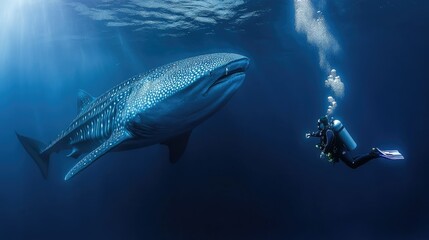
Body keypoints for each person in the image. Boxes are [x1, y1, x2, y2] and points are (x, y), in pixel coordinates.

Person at [306, 116, 404, 168]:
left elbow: (330, 140)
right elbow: (318, 134)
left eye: (319, 124)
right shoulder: (324, 131)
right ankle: (372, 153)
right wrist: (310, 134)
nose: (318, 126)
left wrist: (323, 152)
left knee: (353, 164)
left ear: (323, 124)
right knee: (352, 160)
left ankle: (375, 154)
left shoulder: (329, 131)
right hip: (339, 152)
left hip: (340, 150)